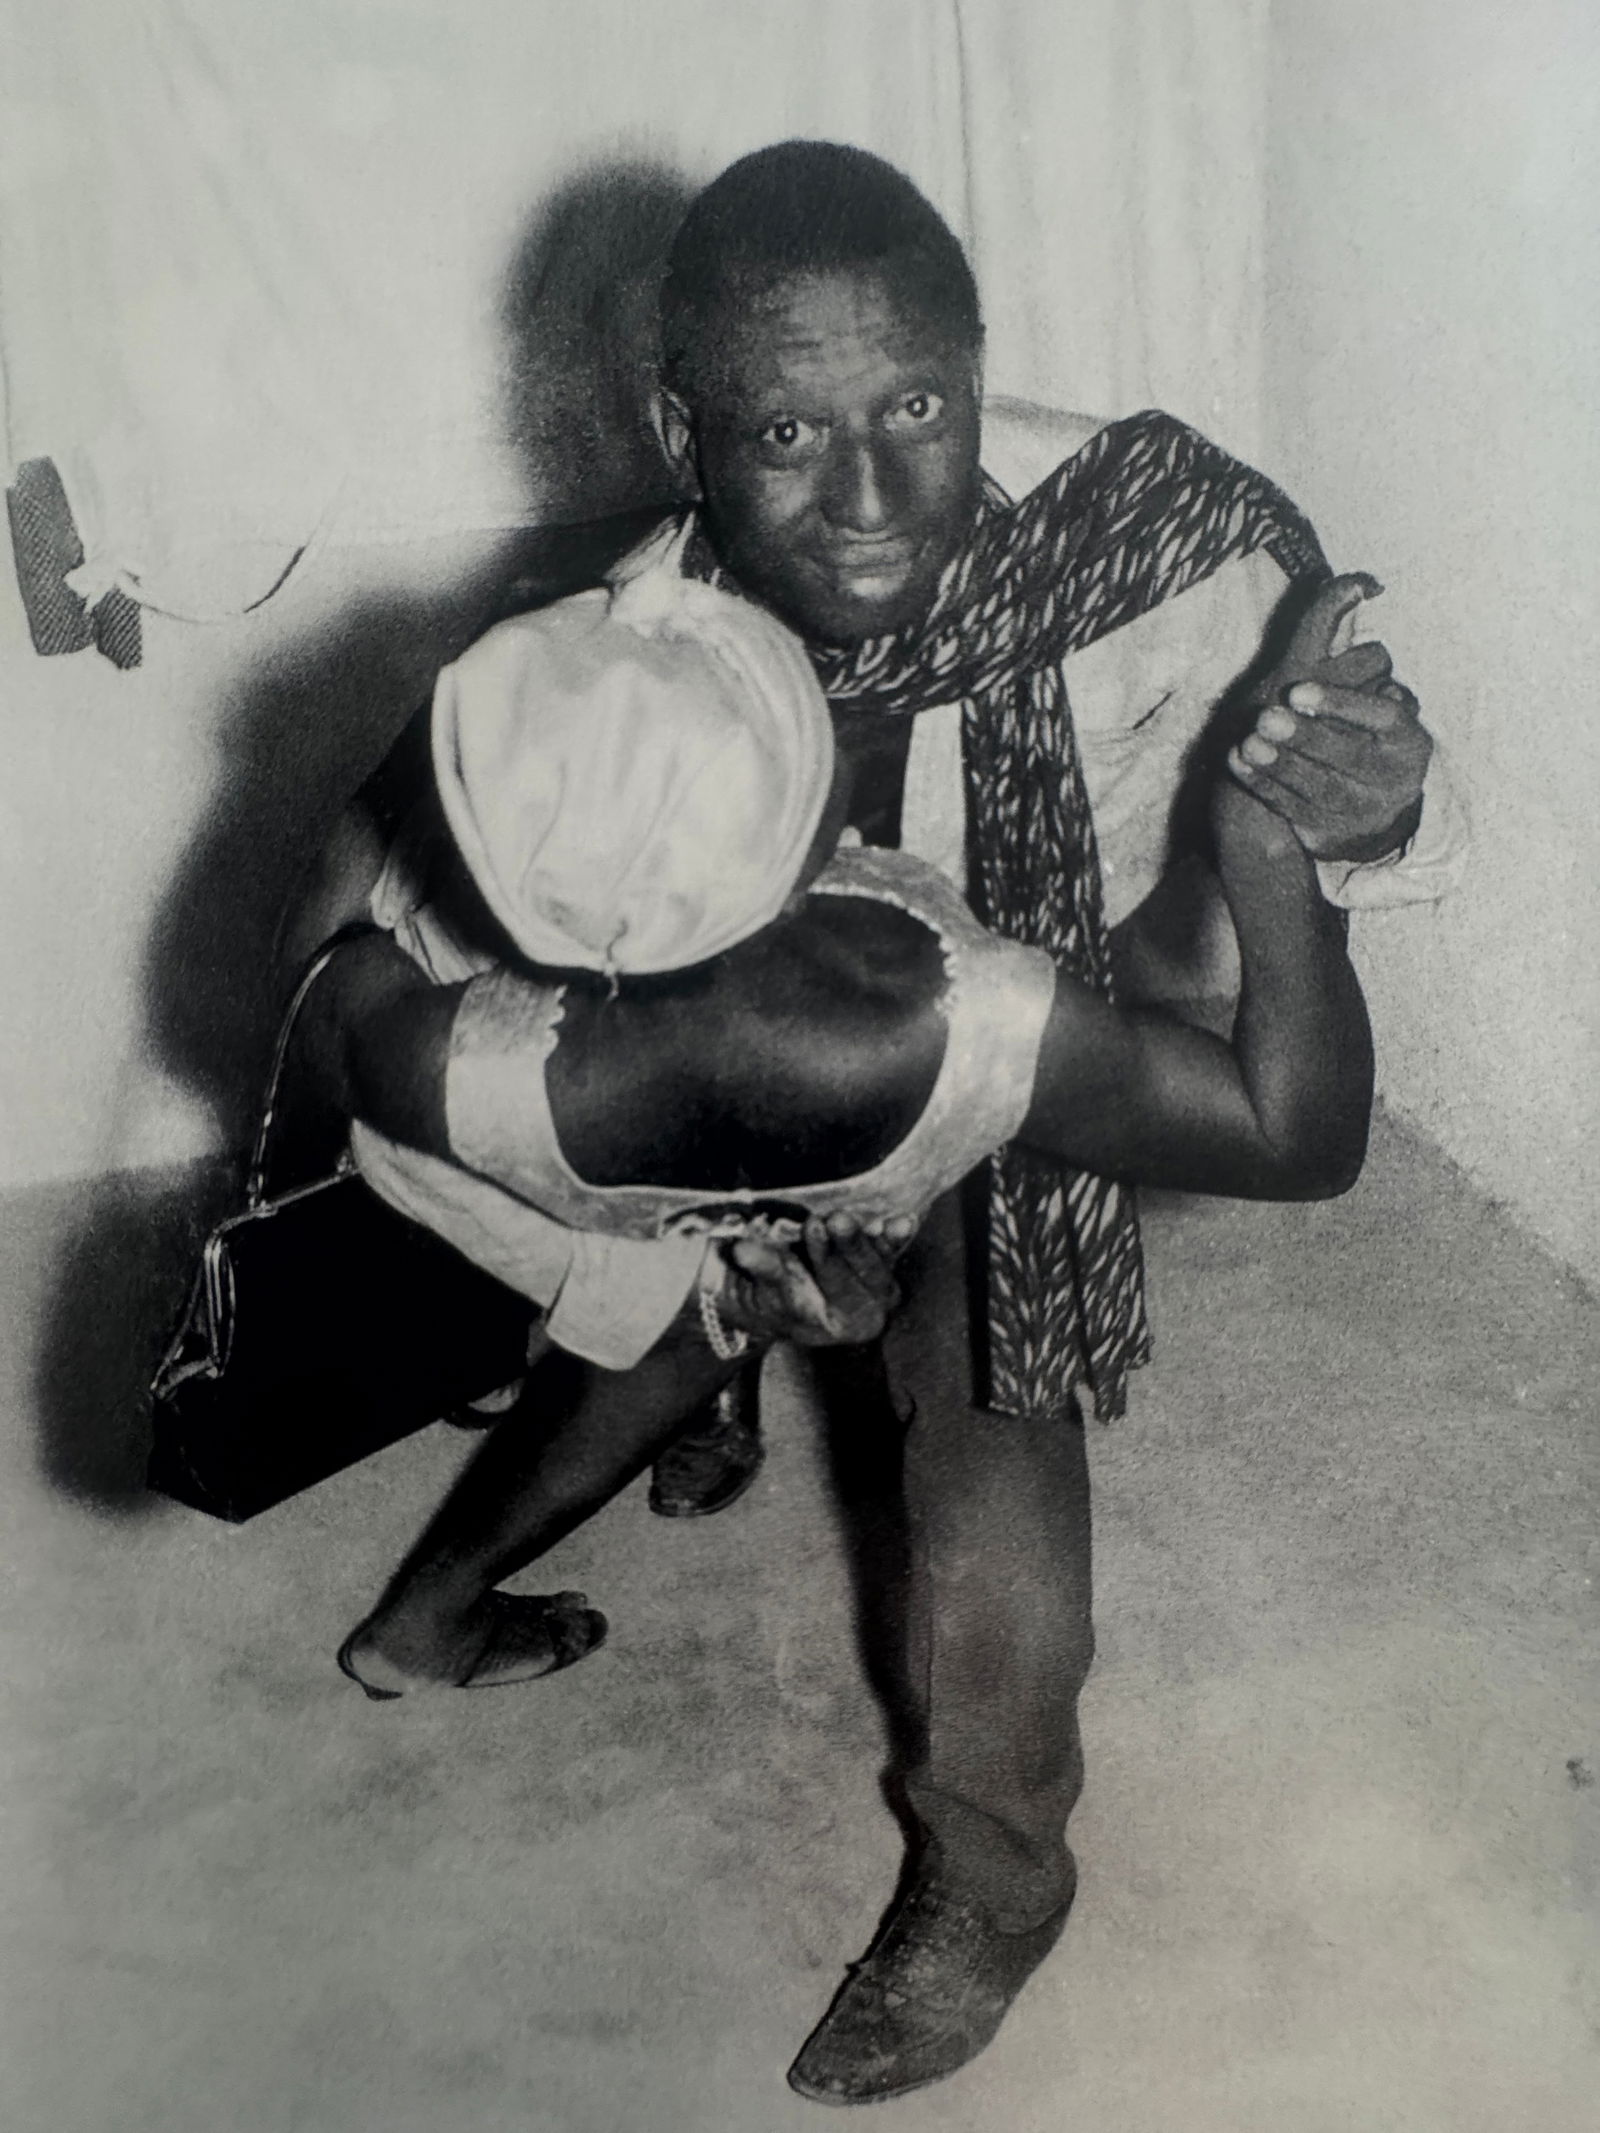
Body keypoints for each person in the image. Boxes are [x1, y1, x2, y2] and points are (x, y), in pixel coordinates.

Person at [281, 142, 1462, 2104]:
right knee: (665, 1318)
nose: (862, 499)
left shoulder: (1159, 540)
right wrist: (689, 1198)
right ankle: (462, 1583)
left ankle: (987, 1874)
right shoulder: (602, 659)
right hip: (707, 1078)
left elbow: (1357, 858)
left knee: (991, 1431)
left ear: (974, 372)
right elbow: (358, 938)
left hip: (1019, 1050)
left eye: (913, 408)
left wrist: (1358, 808)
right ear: (682, 430)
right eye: (782, 432)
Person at [303, 558, 1370, 1720]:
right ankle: (423, 1621)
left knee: (678, 1291)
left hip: (457, 1115)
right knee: (668, 1333)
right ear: (821, 825)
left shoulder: (440, 1051)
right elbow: (1291, 1138)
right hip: (559, 1143)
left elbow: (319, 966)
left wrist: (394, 840)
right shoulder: (937, 1021)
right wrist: (1268, 846)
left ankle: (682, 1328)